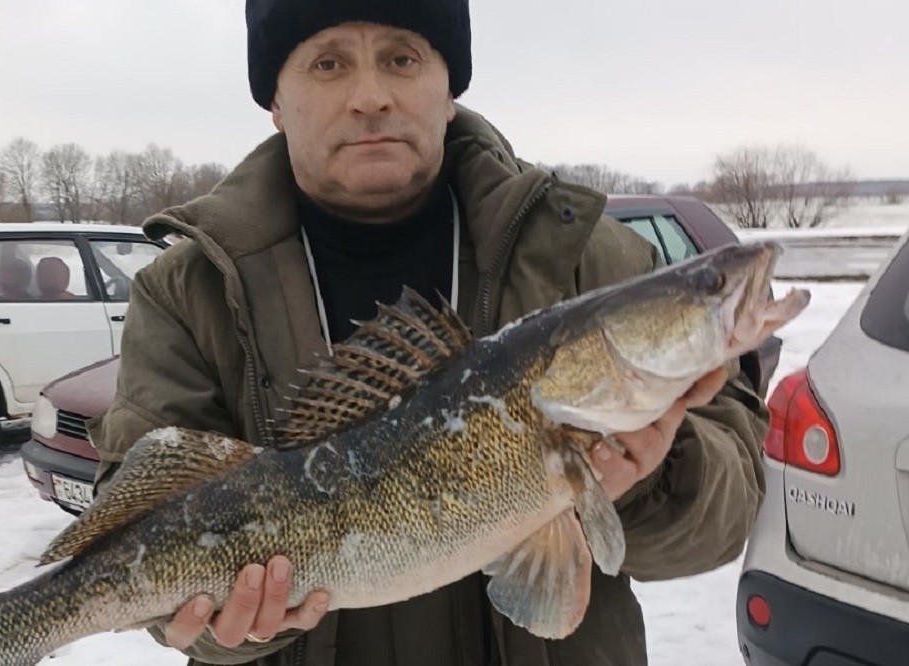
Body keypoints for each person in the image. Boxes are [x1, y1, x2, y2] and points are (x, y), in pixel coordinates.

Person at [89, 1, 769, 664]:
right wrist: (226, 628)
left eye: (401, 57)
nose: (370, 96)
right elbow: (146, 540)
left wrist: (643, 480)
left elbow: (733, 508)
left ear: (448, 88)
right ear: (275, 100)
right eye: (328, 63)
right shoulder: (189, 289)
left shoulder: (591, 259)